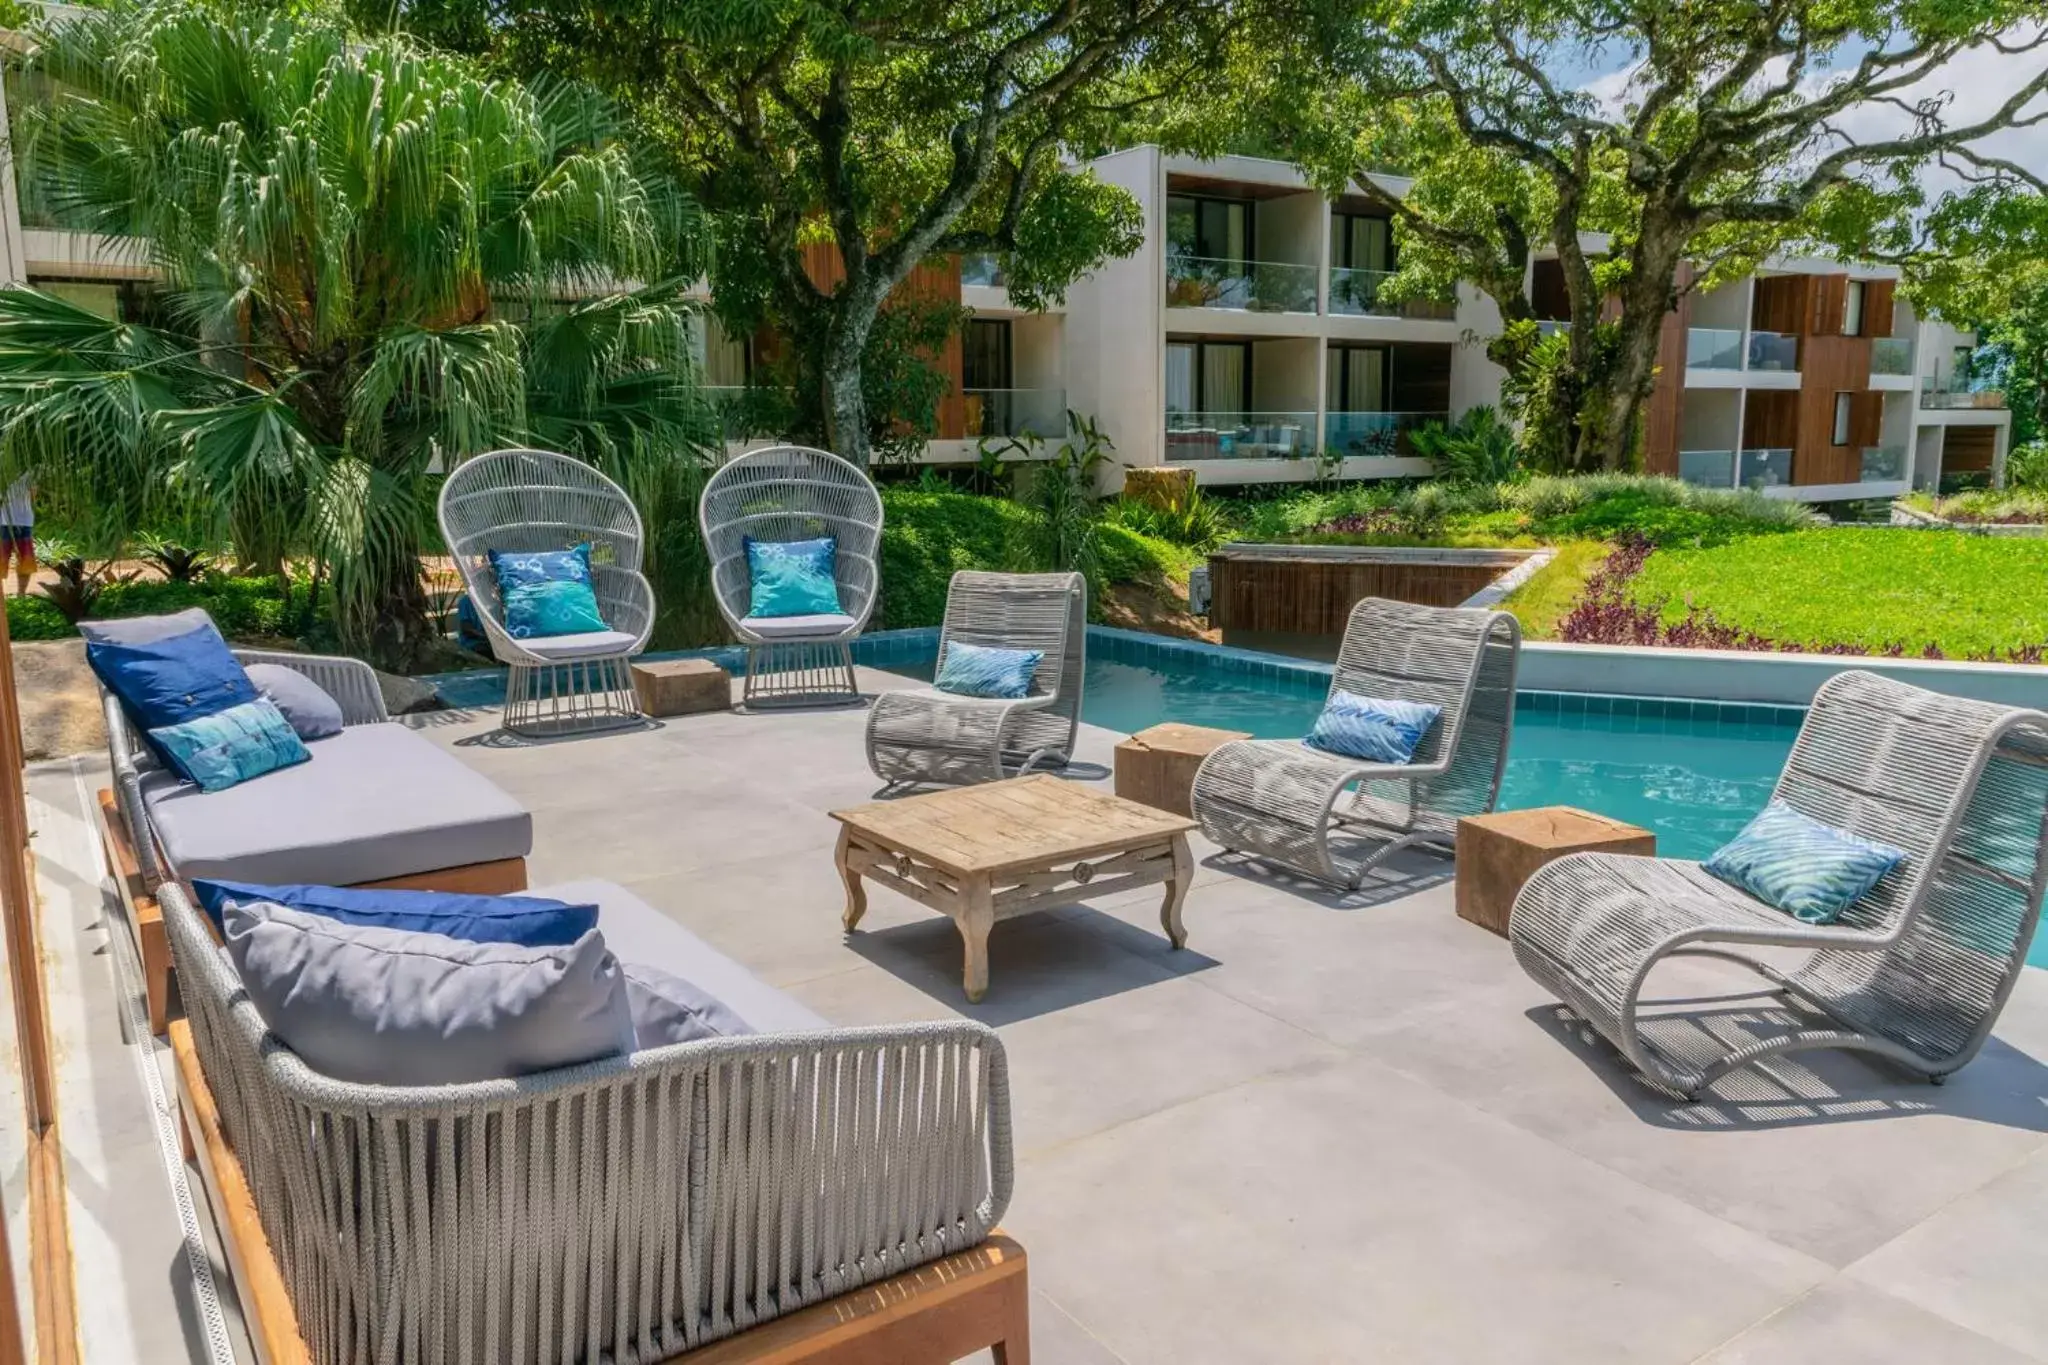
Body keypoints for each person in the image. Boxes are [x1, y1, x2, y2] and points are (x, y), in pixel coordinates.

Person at [0, 475, 31, 596]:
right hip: (6, 521)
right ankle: (18, 594)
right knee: (4, 558)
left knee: (24, 559)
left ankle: (21, 594)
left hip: (22, 521)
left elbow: (33, 494)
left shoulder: (30, 473)